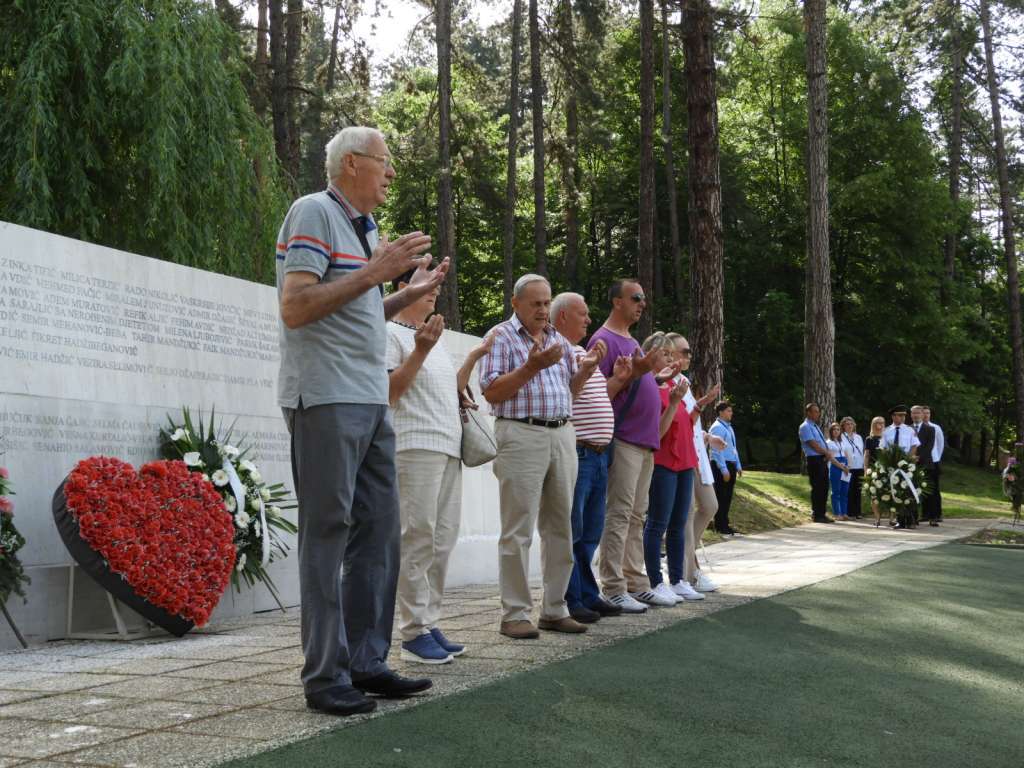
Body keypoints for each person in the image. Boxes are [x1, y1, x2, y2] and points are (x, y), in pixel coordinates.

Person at [277, 126, 449, 715]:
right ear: (351, 164)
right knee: (328, 536)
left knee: (379, 533)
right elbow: (297, 306)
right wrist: (378, 274)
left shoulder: (365, 229)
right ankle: (324, 676)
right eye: (384, 163)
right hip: (325, 399)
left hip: (371, 399)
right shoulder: (313, 213)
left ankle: (366, 662)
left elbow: (355, 308)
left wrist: (406, 293)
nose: (391, 174)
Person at [480, 274, 604, 639]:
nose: (543, 310)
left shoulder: (557, 340)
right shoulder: (500, 336)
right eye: (535, 303)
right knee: (518, 528)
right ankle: (515, 613)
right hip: (521, 433)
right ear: (515, 303)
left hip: (563, 433)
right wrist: (531, 367)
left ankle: (554, 608)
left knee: (561, 526)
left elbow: (570, 392)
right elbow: (492, 392)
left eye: (547, 302)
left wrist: (586, 371)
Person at [386, 271, 494, 664]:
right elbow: (390, 392)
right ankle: (412, 632)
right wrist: (419, 350)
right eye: (425, 285)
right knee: (417, 537)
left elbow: (443, 386)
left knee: (442, 540)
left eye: (437, 286)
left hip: (448, 447)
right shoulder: (390, 333)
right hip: (415, 447)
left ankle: (429, 623)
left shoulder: (434, 340)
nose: (435, 292)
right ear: (402, 290)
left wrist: (468, 370)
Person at [589, 279, 666, 614]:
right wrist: (634, 374)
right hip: (624, 439)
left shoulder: (631, 341)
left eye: (644, 298)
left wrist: (655, 376)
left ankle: (636, 582)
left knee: (636, 515)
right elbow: (596, 393)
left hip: (644, 442)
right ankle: (614, 585)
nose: (642, 303)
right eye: (636, 297)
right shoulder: (603, 340)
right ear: (616, 301)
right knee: (619, 514)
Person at [550, 292, 627, 623]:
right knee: (574, 529)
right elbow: (567, 393)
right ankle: (571, 598)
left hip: (597, 454)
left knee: (591, 530)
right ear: (564, 315)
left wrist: (620, 379)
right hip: (579, 451)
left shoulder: (581, 352)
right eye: (582, 314)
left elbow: (596, 395)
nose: (588, 320)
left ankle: (587, 593)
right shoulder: (557, 350)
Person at [642, 333, 703, 606]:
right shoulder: (651, 387)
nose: (670, 359)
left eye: (671, 354)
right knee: (657, 523)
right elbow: (659, 431)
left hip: (684, 462)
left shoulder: (675, 385)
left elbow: (685, 426)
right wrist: (676, 401)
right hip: (663, 462)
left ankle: (678, 580)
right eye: (665, 354)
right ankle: (656, 581)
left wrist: (697, 407)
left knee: (679, 523)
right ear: (651, 355)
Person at [663, 332, 721, 594]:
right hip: (678, 456)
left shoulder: (684, 381)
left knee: (710, 506)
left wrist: (708, 436)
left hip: (696, 454)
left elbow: (689, 423)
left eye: (688, 352)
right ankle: (688, 572)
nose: (688, 356)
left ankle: (687, 558)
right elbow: (674, 422)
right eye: (683, 351)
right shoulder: (664, 382)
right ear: (669, 353)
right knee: (683, 517)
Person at [798, 403, 840, 523]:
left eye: (818, 411)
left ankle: (822, 513)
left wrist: (825, 454)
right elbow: (812, 444)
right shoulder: (805, 426)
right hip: (814, 459)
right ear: (808, 413)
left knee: (824, 487)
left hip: (822, 459)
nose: (818, 414)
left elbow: (821, 442)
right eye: (815, 411)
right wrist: (826, 453)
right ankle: (817, 514)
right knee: (817, 487)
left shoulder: (815, 426)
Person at [709, 401, 742, 535]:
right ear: (721, 412)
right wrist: (723, 469)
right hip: (721, 465)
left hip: (731, 463)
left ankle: (725, 524)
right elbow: (716, 451)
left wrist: (738, 465)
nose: (731, 413)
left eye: (731, 411)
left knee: (727, 496)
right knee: (721, 495)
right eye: (728, 411)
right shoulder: (717, 427)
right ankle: (720, 525)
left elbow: (733, 448)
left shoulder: (728, 427)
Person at [911, 405, 940, 526]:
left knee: (930, 492)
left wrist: (918, 457)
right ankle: (913, 517)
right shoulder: (908, 429)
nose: (916, 415)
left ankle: (933, 517)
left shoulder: (930, 429)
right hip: (910, 465)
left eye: (918, 413)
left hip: (926, 464)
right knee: (912, 491)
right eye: (913, 413)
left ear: (923, 415)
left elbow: (929, 447)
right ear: (911, 415)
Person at [839, 417, 865, 519]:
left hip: (859, 466)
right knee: (848, 489)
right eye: (847, 424)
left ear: (854, 425)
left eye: (851, 424)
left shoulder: (858, 437)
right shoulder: (841, 437)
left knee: (857, 490)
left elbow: (861, 451)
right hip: (848, 466)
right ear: (843, 426)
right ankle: (848, 511)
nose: (849, 426)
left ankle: (857, 512)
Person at [923, 406, 944, 521]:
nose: (926, 415)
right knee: (923, 488)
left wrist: (937, 458)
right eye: (924, 413)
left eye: (928, 413)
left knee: (935, 489)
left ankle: (937, 514)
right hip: (922, 461)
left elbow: (940, 445)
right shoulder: (918, 428)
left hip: (934, 461)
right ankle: (926, 514)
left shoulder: (936, 428)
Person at [825, 422, 850, 520]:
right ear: (831, 431)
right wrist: (841, 466)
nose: (836, 431)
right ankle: (837, 513)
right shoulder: (828, 443)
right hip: (835, 467)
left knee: (844, 491)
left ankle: (844, 512)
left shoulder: (842, 442)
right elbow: (831, 458)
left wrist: (847, 466)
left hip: (844, 465)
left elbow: (846, 454)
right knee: (836, 491)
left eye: (838, 430)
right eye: (834, 429)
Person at [864, 416, 885, 526]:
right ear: (873, 424)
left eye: (882, 423)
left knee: (888, 493)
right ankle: (877, 518)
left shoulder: (887, 437)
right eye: (878, 423)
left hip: (886, 469)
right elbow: (867, 455)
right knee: (873, 494)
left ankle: (892, 518)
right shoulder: (869, 439)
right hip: (873, 469)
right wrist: (865, 469)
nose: (880, 425)